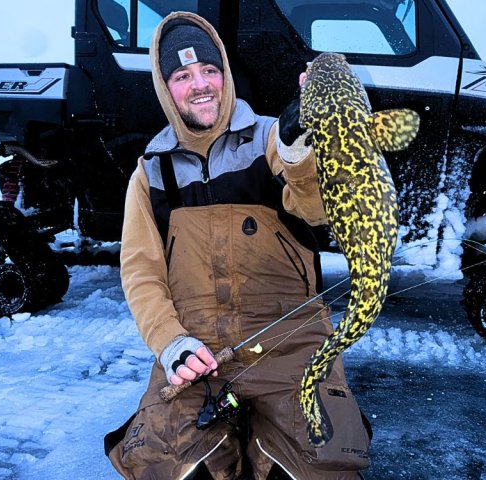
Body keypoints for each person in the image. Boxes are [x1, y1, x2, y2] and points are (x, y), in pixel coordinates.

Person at [105, 11, 370, 480]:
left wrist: (298, 154)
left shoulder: (271, 138)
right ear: (165, 88)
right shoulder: (150, 173)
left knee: (324, 465)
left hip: (290, 341)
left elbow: (318, 211)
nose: (201, 84)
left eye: (210, 70)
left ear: (226, 75)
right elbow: (141, 271)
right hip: (197, 351)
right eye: (183, 75)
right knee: (160, 466)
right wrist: (171, 344)